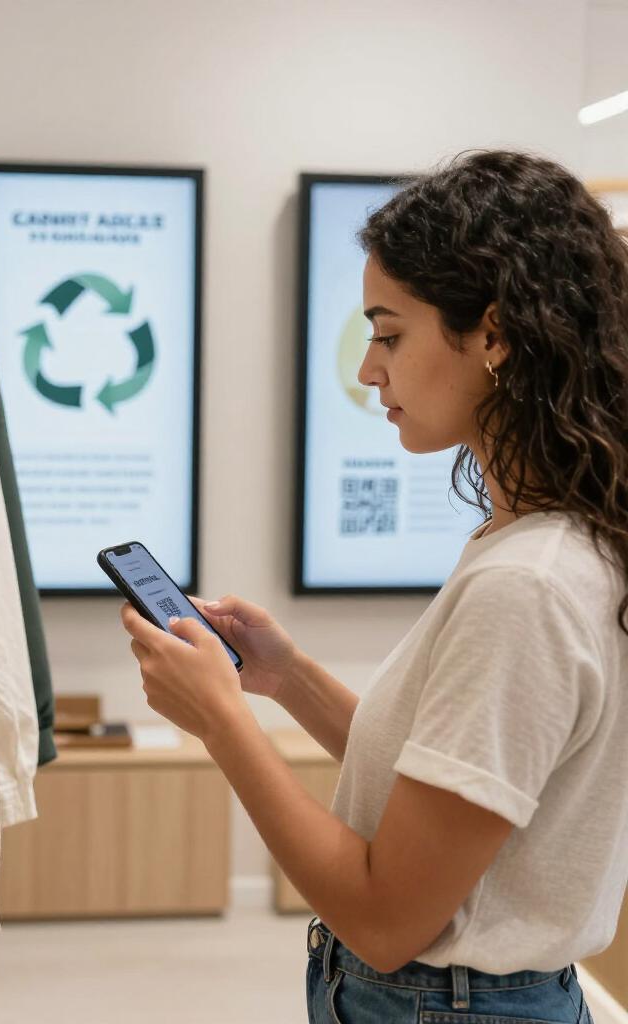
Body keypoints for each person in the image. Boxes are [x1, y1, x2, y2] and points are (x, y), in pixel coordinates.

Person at [119, 150, 628, 1023]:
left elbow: (386, 917)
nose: (367, 370)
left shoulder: (528, 587)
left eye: (389, 335)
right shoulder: (548, 541)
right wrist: (287, 679)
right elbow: (445, 789)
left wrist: (222, 721)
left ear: (496, 335)